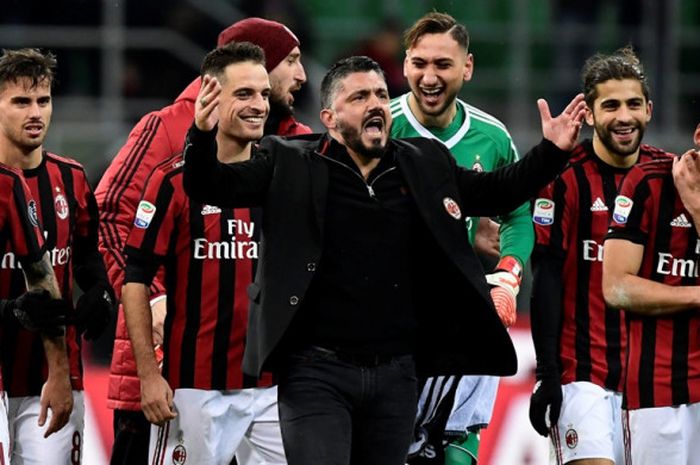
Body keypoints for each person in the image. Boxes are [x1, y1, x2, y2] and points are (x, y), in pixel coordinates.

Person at [183, 55, 586, 465]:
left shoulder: (423, 162)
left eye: (380, 94)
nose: (375, 103)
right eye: (359, 96)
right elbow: (211, 184)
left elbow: (496, 192)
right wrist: (200, 134)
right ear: (330, 116)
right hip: (315, 371)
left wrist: (551, 152)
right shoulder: (288, 161)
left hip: (397, 373)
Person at [94, 17, 310, 465]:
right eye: (289, 61)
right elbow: (111, 217)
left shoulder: (299, 148)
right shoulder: (167, 133)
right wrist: (154, 299)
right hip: (174, 370)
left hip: (269, 382)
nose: (302, 75)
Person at [389, 13, 531, 463]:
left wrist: (508, 276)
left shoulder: (491, 137)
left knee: (455, 446)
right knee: (392, 444)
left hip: (464, 307)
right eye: (419, 63)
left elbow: (519, 214)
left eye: (443, 65)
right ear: (405, 64)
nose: (429, 77)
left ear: (467, 67)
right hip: (392, 314)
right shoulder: (380, 127)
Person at [528, 46, 672, 465]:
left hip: (655, 382)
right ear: (589, 114)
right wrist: (548, 375)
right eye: (610, 106)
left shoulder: (671, 177)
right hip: (582, 376)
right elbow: (547, 279)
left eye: (632, 104)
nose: (623, 117)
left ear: (648, 109)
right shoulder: (563, 177)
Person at [0, 48, 114, 464]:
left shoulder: (72, 178)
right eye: (20, 101)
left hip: (53, 378)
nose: (35, 112)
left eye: (43, 101)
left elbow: (87, 254)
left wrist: (100, 290)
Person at [601, 131, 700, 465]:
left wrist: (698, 208)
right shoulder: (648, 182)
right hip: (655, 391)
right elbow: (616, 287)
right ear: (699, 135)